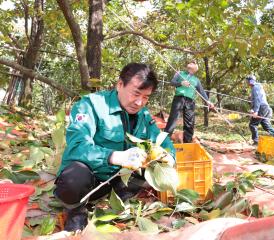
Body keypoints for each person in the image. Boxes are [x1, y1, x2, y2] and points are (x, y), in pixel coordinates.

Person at [54, 63, 176, 232]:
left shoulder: (143, 115)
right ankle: (76, 211)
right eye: (136, 93)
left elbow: (163, 142)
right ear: (120, 85)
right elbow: (77, 146)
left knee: (152, 167)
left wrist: (169, 156)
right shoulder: (91, 105)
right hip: (91, 179)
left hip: (118, 179)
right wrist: (113, 156)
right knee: (74, 177)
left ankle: (120, 197)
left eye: (146, 97)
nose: (140, 102)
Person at [164, 60, 214, 143]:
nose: (191, 62)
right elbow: (172, 83)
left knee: (189, 123)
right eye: (190, 62)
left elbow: (201, 92)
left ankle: (187, 142)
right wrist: (181, 83)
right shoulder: (179, 73)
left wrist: (208, 101)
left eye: (194, 63)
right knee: (172, 120)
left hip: (190, 102)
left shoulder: (196, 80)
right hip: (179, 98)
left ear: (196, 68)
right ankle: (164, 141)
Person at [246, 75, 274, 145]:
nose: (247, 83)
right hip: (265, 108)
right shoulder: (257, 87)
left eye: (247, 81)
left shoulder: (255, 87)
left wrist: (256, 111)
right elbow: (256, 100)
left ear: (250, 81)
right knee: (266, 126)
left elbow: (258, 100)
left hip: (261, 108)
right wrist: (253, 109)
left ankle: (256, 141)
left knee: (252, 124)